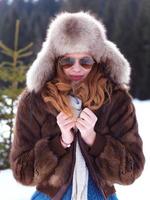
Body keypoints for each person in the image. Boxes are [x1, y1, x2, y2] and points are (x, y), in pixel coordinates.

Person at [10, 11, 145, 200]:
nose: (76, 67)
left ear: (98, 60)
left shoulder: (116, 99)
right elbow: (22, 172)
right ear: (55, 59)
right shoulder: (34, 101)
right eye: (67, 60)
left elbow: (132, 169)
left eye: (86, 61)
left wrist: (94, 139)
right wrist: (59, 143)